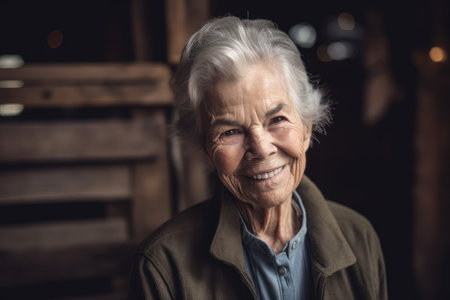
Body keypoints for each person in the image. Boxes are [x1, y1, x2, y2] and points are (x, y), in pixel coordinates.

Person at [128, 16, 388, 300]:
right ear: (205, 147)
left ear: (306, 127)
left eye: (277, 119)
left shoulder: (359, 237)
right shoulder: (163, 265)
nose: (262, 148)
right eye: (230, 131)